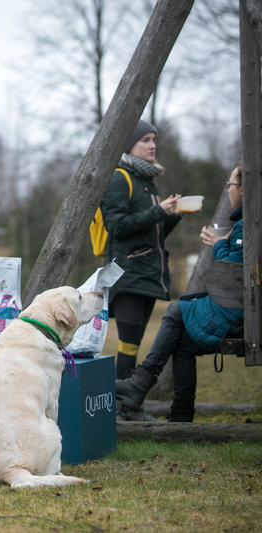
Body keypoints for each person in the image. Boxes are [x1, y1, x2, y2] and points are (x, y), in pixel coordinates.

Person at [115, 162, 244, 422]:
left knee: (176, 310)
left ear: (243, 189)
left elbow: (234, 272)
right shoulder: (244, 224)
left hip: (237, 313)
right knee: (183, 344)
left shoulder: (246, 224)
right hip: (239, 310)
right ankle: (180, 417)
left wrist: (219, 244)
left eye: (230, 184)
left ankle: (140, 381)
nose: (228, 189)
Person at [101, 119, 184, 378]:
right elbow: (116, 226)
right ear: (130, 145)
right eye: (145, 140)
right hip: (128, 273)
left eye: (154, 140)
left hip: (147, 273)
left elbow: (152, 234)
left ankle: (126, 402)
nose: (152, 145)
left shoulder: (148, 181)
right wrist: (158, 211)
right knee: (128, 344)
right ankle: (122, 404)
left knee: (134, 344)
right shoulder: (119, 178)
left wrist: (172, 215)